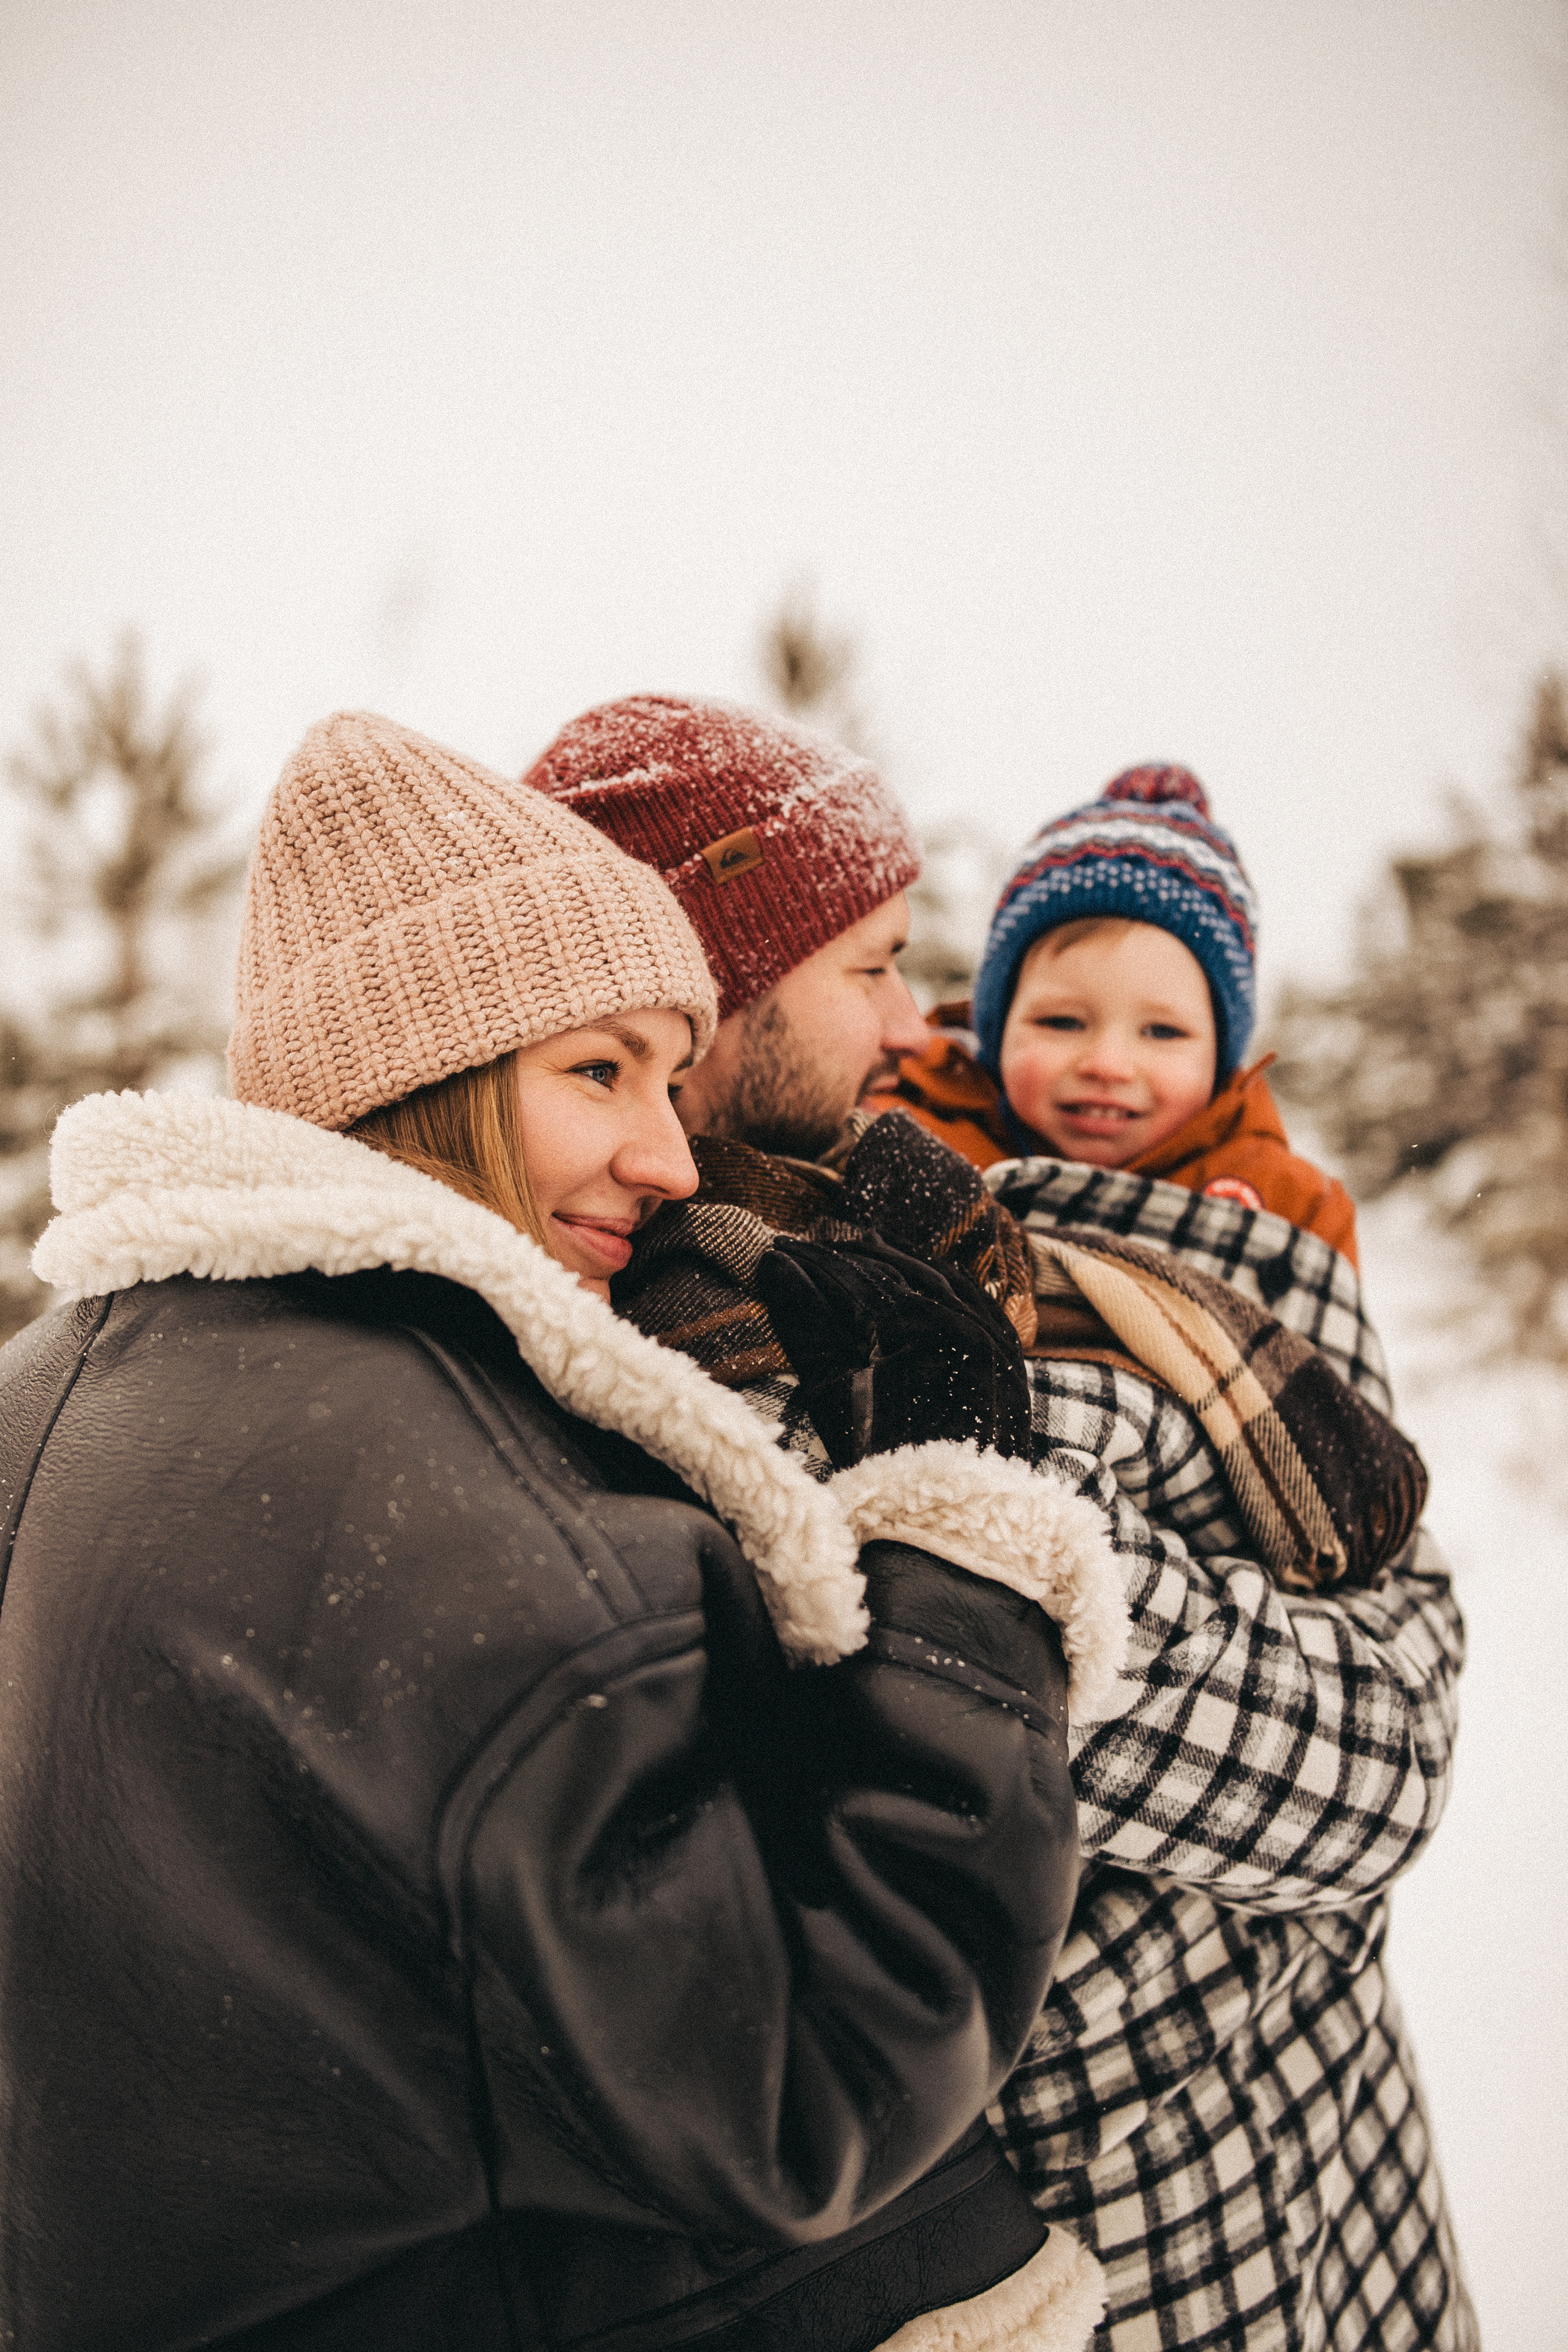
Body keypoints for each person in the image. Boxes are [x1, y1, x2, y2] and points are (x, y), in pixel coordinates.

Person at [0, 713, 1114, 2351]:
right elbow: (808, 2092)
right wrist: (965, 1536)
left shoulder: (52, 1389)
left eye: (671, 1075)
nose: (666, 1157)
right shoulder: (480, 1507)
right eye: (596, 1070)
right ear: (416, 1075)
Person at [531, 695, 1476, 2352]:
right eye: (875, 966)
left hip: (1319, 2166)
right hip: (1127, 2230)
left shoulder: (932, 1226)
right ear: (720, 999)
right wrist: (997, 1518)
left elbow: (1400, 1649)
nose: (922, 1028)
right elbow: (1367, 1765)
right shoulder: (718, 1366)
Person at [884, 764, 1360, 1264]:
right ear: (997, 1030)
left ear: (1220, 1051)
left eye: (1162, 1031)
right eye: (1062, 1022)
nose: (1108, 1065)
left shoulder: (1290, 1210)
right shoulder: (904, 1142)